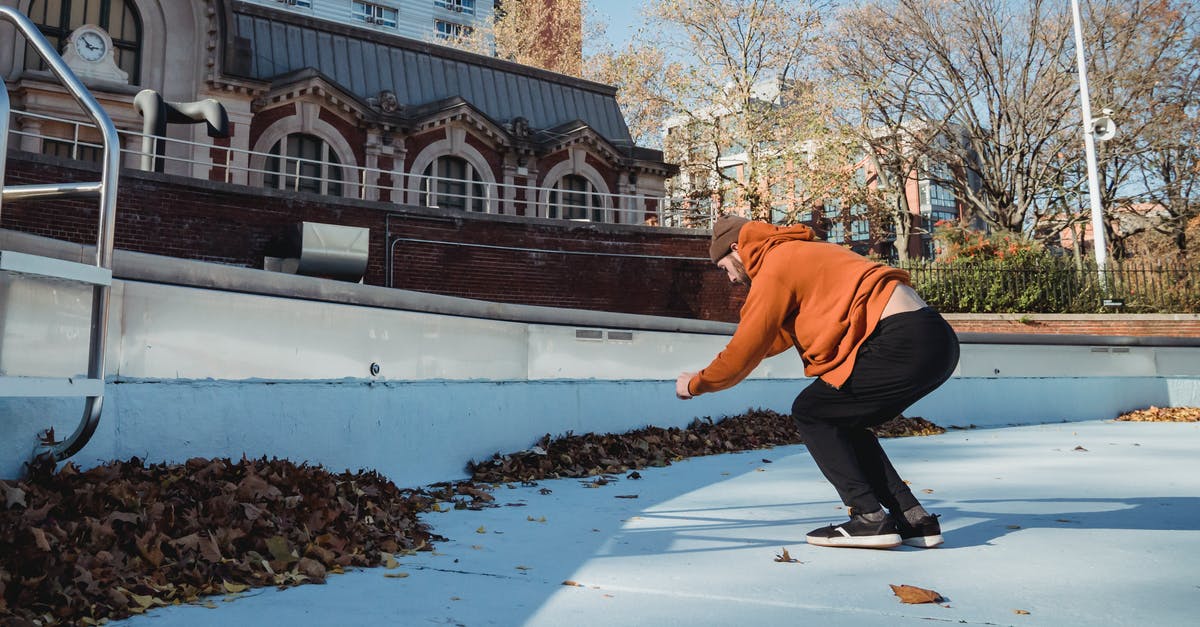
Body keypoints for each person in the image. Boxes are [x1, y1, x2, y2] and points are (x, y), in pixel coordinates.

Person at [675, 215, 959, 549]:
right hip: (936, 340)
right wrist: (717, 368)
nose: (731, 278)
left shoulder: (774, 264)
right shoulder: (802, 251)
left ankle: (868, 518)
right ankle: (913, 520)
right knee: (844, 421)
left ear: (737, 248)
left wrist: (698, 383)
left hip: (901, 341)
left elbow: (747, 346)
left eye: (724, 267)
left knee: (812, 411)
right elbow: (770, 339)